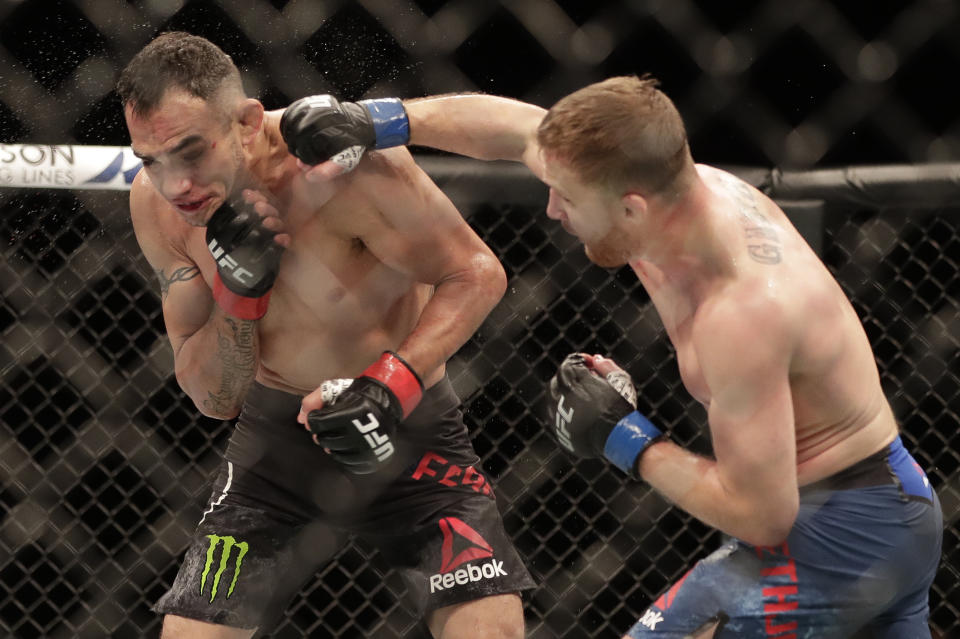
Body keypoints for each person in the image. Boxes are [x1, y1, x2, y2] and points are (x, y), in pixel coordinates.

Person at [282, 76, 945, 638]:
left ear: (630, 207)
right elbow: (517, 130)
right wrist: (374, 120)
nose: (550, 208)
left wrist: (625, 435)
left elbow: (762, 513)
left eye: (567, 198)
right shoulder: (663, 189)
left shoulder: (741, 309)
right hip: (882, 502)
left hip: (840, 528)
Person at [116, 32, 535, 639]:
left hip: (406, 425)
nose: (176, 184)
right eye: (152, 161)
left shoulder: (344, 167)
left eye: (190, 151)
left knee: (492, 632)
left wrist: (391, 382)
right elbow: (213, 399)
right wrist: (237, 300)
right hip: (275, 444)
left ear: (247, 121)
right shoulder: (157, 209)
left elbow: (475, 273)